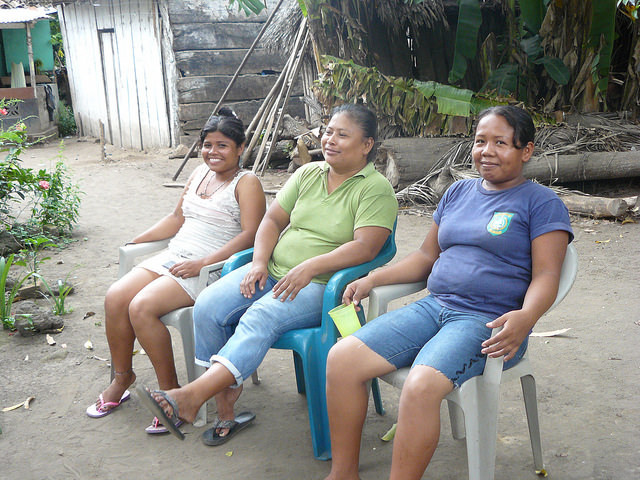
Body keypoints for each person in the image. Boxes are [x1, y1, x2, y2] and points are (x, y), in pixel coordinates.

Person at [324, 105, 574, 480]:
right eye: (480, 141)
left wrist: (527, 316)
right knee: (341, 359)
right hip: (434, 307)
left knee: (421, 387)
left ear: (526, 151)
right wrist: (375, 278)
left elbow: (547, 276)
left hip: (489, 323)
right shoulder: (458, 192)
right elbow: (427, 256)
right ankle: (343, 473)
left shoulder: (541, 204)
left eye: (500, 143)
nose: (486, 151)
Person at [136, 103, 398, 445]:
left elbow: (366, 248)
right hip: (272, 272)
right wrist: (259, 262)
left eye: (342, 135)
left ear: (366, 145)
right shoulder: (308, 173)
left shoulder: (375, 188)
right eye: (328, 131)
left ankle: (188, 398)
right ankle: (225, 408)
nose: (330, 139)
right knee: (208, 305)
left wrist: (311, 267)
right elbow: (272, 221)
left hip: (322, 286)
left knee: (259, 316)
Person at [86, 108, 266, 436]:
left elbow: (250, 236)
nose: (213, 152)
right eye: (207, 144)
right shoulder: (198, 173)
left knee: (141, 307)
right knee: (115, 298)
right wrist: (137, 240)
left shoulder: (247, 182)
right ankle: (123, 377)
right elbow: (176, 218)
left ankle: (171, 396)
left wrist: (203, 262)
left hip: (211, 268)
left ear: (240, 148)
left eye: (223, 145)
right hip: (175, 257)